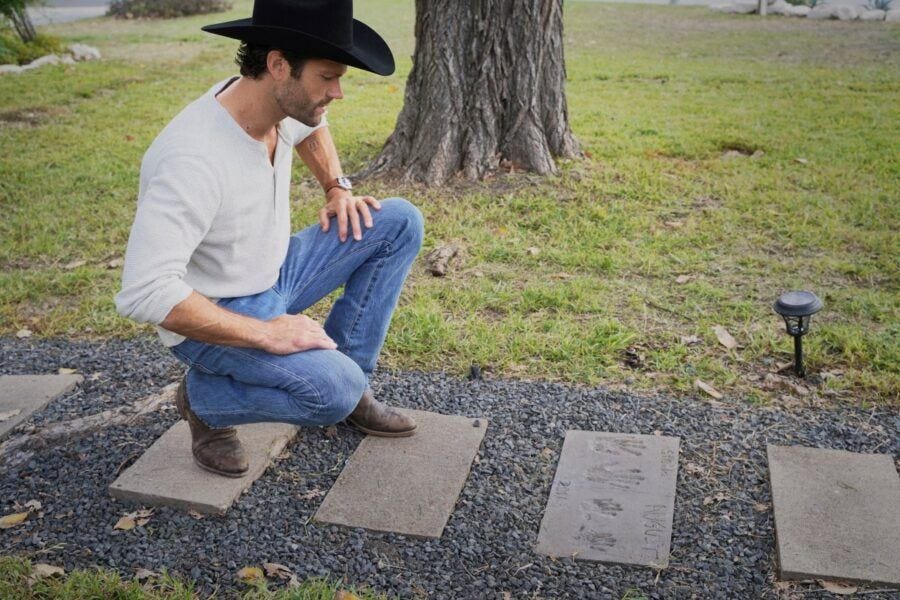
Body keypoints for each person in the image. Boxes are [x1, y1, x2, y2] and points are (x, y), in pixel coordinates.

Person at [115, 0, 424, 478]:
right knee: (332, 393)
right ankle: (202, 401)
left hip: (274, 269)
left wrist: (336, 187)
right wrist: (267, 333)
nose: (337, 92)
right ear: (279, 64)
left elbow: (311, 124)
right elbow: (145, 292)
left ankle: (352, 380)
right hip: (217, 308)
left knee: (399, 221)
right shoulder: (191, 160)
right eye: (328, 77)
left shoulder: (275, 99)